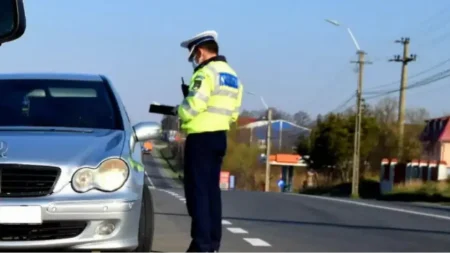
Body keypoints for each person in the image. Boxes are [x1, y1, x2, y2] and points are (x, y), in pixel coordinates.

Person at [175, 30, 244, 252]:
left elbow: (193, 106)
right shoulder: (232, 75)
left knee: (198, 194)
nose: (194, 60)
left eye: (194, 55)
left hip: (201, 139)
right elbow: (234, 113)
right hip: (219, 137)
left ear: (202, 52)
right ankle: (212, 243)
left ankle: (201, 245)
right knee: (212, 193)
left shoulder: (205, 73)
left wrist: (180, 110)